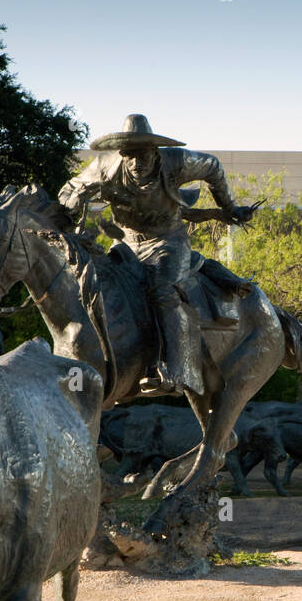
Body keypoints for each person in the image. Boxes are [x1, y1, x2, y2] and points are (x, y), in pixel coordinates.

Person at [53, 114, 256, 394]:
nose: (138, 162)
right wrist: (71, 201)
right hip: (125, 244)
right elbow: (69, 189)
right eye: (131, 155)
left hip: (169, 243)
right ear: (122, 154)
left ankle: (175, 370)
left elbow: (213, 166)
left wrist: (229, 207)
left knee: (163, 291)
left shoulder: (177, 162)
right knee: (95, 285)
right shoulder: (104, 167)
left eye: (144, 154)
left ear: (155, 151)